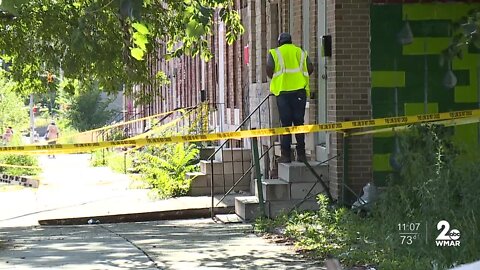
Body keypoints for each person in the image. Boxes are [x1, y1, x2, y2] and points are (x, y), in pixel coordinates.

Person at [266, 32, 314, 163]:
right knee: (299, 123)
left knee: (286, 124)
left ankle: (286, 155)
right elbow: (310, 68)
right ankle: (301, 155)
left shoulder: (275, 53)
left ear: (279, 42)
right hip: (299, 92)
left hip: (283, 93)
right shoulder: (300, 52)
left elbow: (269, 69)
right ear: (291, 41)